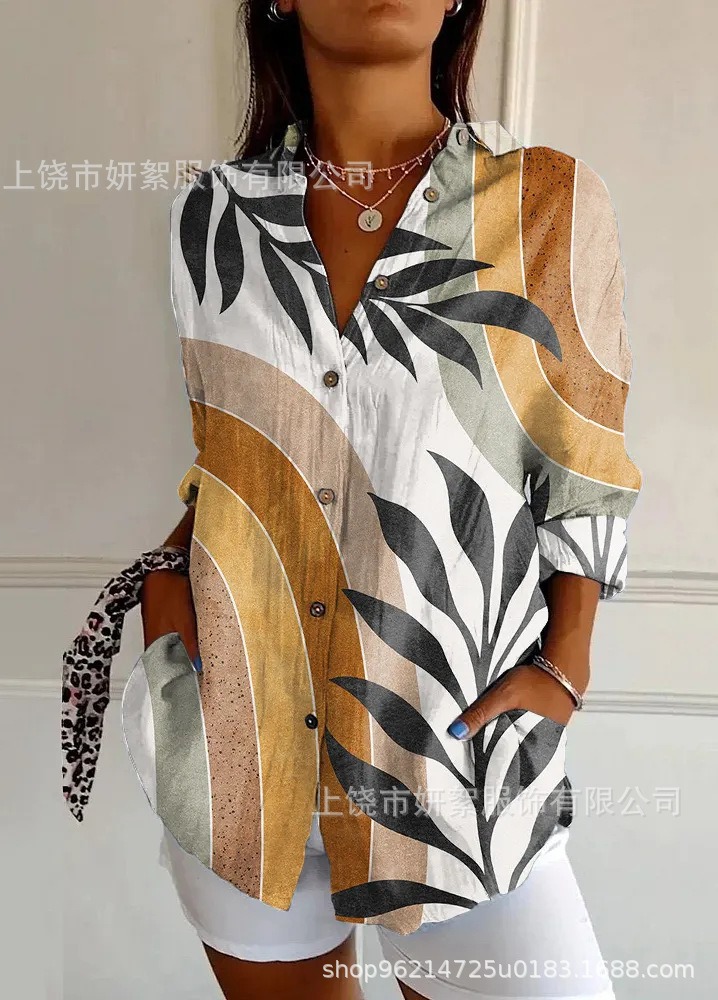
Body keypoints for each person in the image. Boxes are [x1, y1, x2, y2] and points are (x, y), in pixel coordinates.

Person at [128, 1, 642, 997]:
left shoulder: (546, 200)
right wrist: (165, 583)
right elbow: (230, 448)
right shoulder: (211, 216)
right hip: (240, 750)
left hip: (453, 761)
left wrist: (568, 661)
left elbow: (586, 463)